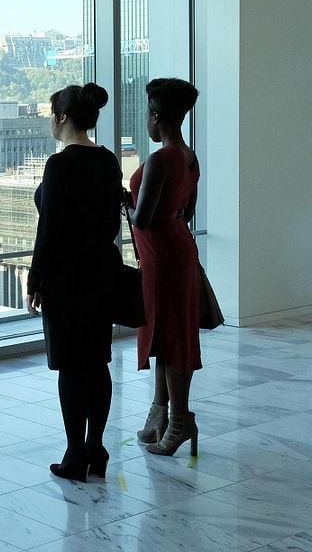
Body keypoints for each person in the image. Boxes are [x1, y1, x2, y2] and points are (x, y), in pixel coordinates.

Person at [27, 83, 123, 482]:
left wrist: (35, 278)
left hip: (67, 278)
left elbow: (48, 229)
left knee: (70, 367)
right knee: (98, 363)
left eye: (52, 114)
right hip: (103, 271)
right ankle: (96, 449)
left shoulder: (60, 164)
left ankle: (74, 454)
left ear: (62, 118)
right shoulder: (109, 160)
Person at [125, 78, 201, 457]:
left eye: (148, 117)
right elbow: (187, 211)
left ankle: (179, 421)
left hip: (161, 256)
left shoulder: (159, 159)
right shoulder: (188, 156)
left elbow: (141, 219)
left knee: (169, 339)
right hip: (179, 247)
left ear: (156, 117)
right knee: (168, 333)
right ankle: (161, 414)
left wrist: (125, 203)